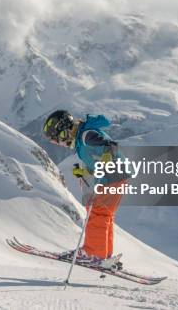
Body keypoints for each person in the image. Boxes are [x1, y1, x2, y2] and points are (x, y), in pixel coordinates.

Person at [42, 110, 125, 270]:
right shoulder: (83, 137)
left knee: (97, 213)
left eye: (58, 139)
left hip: (112, 177)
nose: (61, 144)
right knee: (103, 214)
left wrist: (107, 160)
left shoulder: (86, 135)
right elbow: (99, 159)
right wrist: (86, 171)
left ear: (64, 130)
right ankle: (104, 256)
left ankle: (93, 254)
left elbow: (110, 146)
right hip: (116, 177)